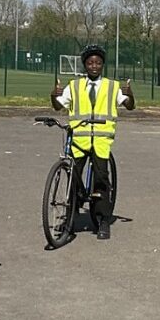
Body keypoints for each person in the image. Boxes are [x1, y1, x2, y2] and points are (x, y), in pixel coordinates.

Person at [50, 44, 134, 240]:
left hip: (101, 139)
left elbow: (130, 106)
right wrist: (54, 95)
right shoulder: (74, 86)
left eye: (97, 63)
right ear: (85, 65)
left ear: (102, 65)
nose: (94, 66)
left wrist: (130, 94)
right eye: (90, 63)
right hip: (79, 140)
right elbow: (58, 106)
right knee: (73, 178)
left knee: (101, 179)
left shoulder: (112, 86)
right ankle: (71, 215)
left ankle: (102, 219)